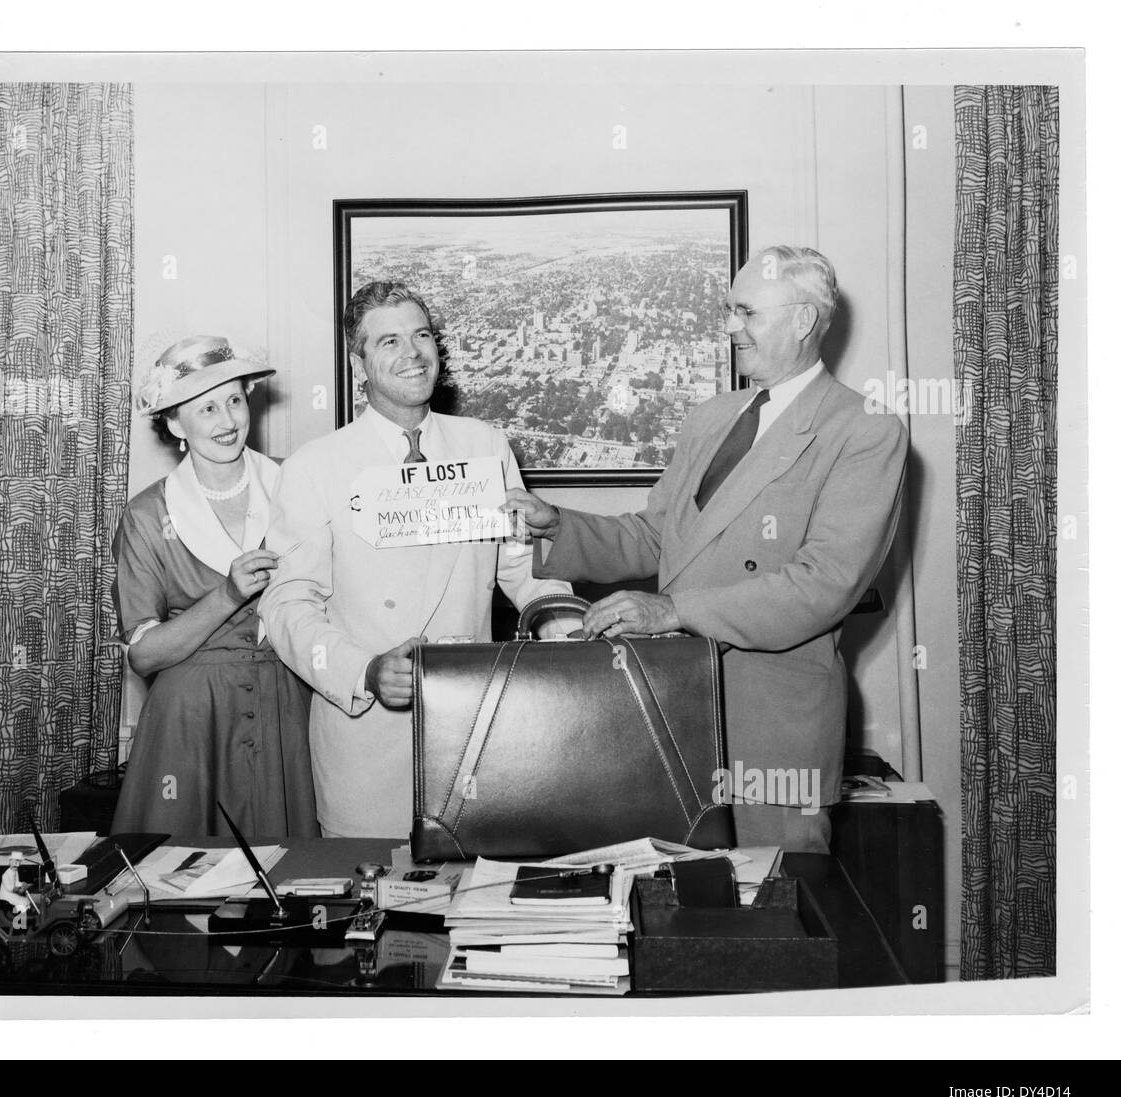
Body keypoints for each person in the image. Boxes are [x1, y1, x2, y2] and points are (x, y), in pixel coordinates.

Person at [505, 246, 908, 852]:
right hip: (673, 714)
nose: (729, 327)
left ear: (803, 320)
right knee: (679, 917)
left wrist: (673, 611)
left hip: (771, 736)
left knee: (769, 921)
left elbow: (822, 585)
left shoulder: (865, 429)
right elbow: (656, 536)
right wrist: (554, 525)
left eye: (745, 311)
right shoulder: (711, 418)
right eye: (729, 310)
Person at [259, 282, 573, 838]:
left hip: (476, 726)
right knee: (374, 903)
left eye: (421, 335)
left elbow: (525, 573)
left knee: (477, 890)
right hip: (367, 735)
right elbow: (287, 604)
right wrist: (365, 670)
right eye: (388, 342)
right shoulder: (315, 467)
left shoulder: (485, 446)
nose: (412, 354)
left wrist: (569, 631)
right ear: (358, 362)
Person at [110, 336, 318, 840]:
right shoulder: (146, 515)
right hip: (189, 723)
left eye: (234, 400)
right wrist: (226, 596)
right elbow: (144, 656)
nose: (227, 421)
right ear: (176, 424)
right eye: (205, 408)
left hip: (287, 711)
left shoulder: (298, 487)